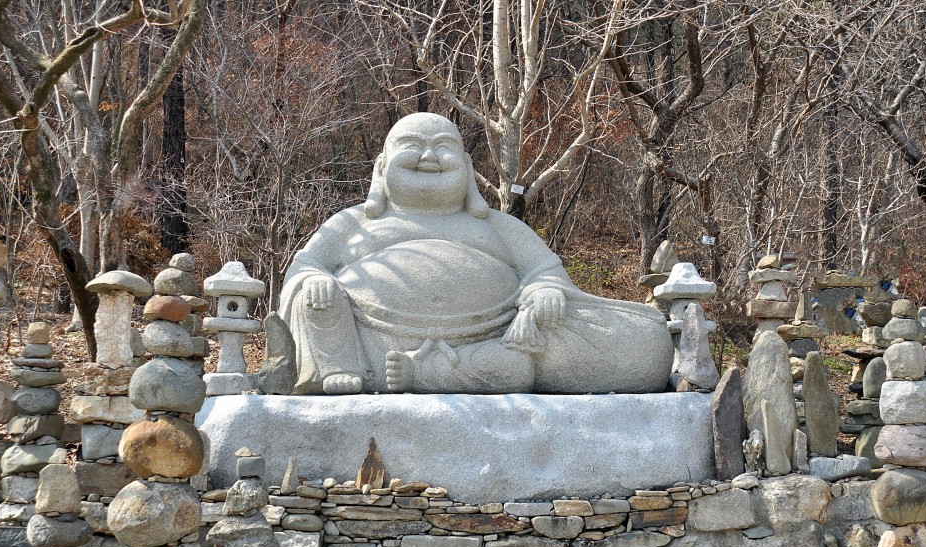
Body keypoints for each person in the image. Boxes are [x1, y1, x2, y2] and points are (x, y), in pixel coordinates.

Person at [278, 112, 673, 395]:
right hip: (371, 339)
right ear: (381, 168)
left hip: (493, 338)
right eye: (412, 146)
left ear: (467, 168)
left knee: (648, 344)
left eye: (444, 147)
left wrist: (544, 292)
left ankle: (431, 373)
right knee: (313, 297)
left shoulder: (498, 226)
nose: (429, 157)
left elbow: (544, 272)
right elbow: (304, 268)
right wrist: (314, 279)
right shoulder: (352, 224)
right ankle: (342, 366)